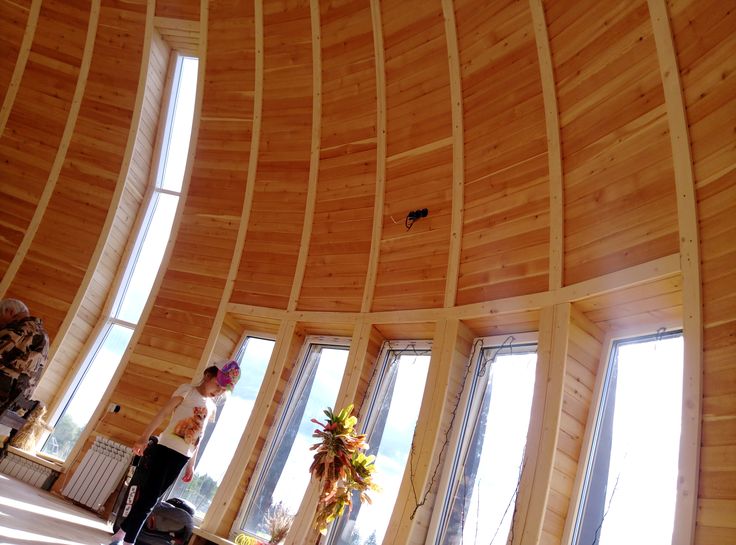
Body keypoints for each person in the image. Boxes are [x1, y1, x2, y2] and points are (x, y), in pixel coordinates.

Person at [109, 360, 241, 545]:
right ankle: (128, 541)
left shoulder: (211, 407)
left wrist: (191, 464)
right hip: (165, 450)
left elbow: (199, 437)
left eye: (223, 389)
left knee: (151, 499)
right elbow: (163, 413)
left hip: (182, 457)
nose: (219, 391)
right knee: (149, 500)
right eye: (217, 384)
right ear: (207, 376)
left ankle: (121, 534)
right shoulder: (187, 391)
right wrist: (144, 437)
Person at [0, 298, 49, 403]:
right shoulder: (42, 334)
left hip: (4, 394)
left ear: (10, 311)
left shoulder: (20, 329)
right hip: (17, 400)